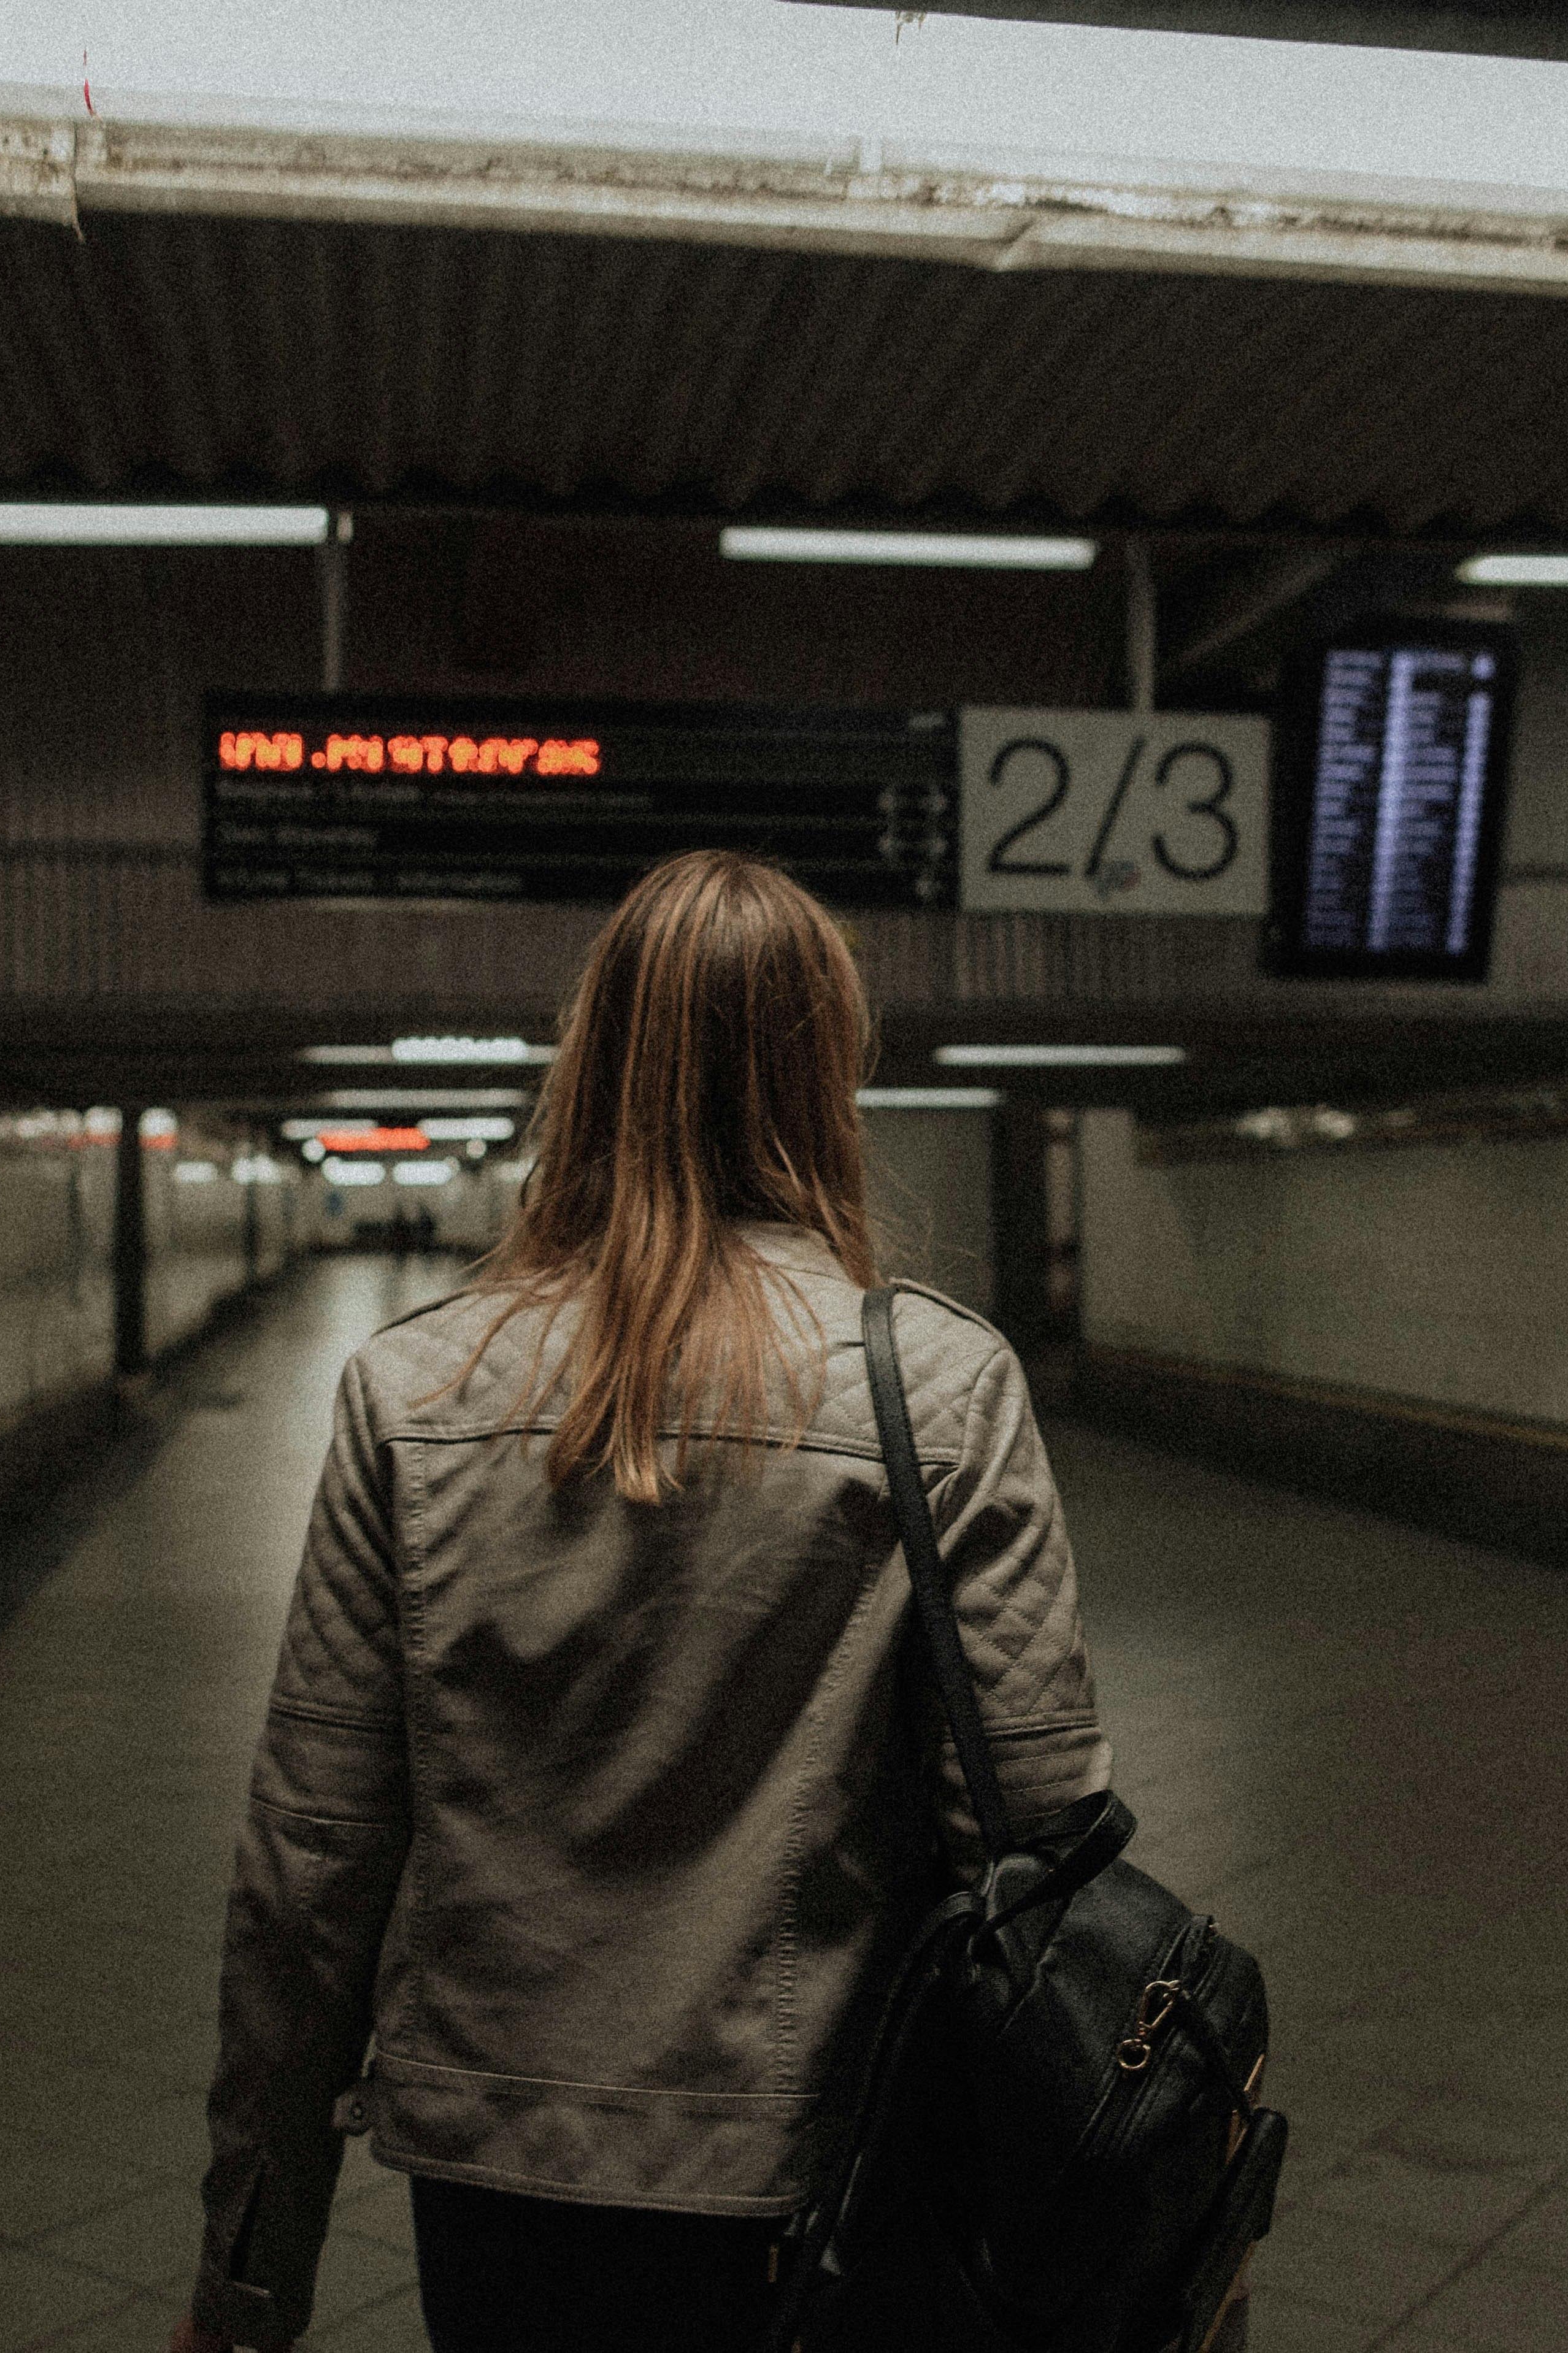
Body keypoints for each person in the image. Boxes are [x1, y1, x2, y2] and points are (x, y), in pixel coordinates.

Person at [175, 850, 1109, 2353]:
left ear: (590, 1064)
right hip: (827, 2169)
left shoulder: (413, 1393)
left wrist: (246, 2275)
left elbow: (311, 1869)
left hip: (500, 2173)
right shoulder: (940, 1386)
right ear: (824, 1074)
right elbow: (1040, 1841)